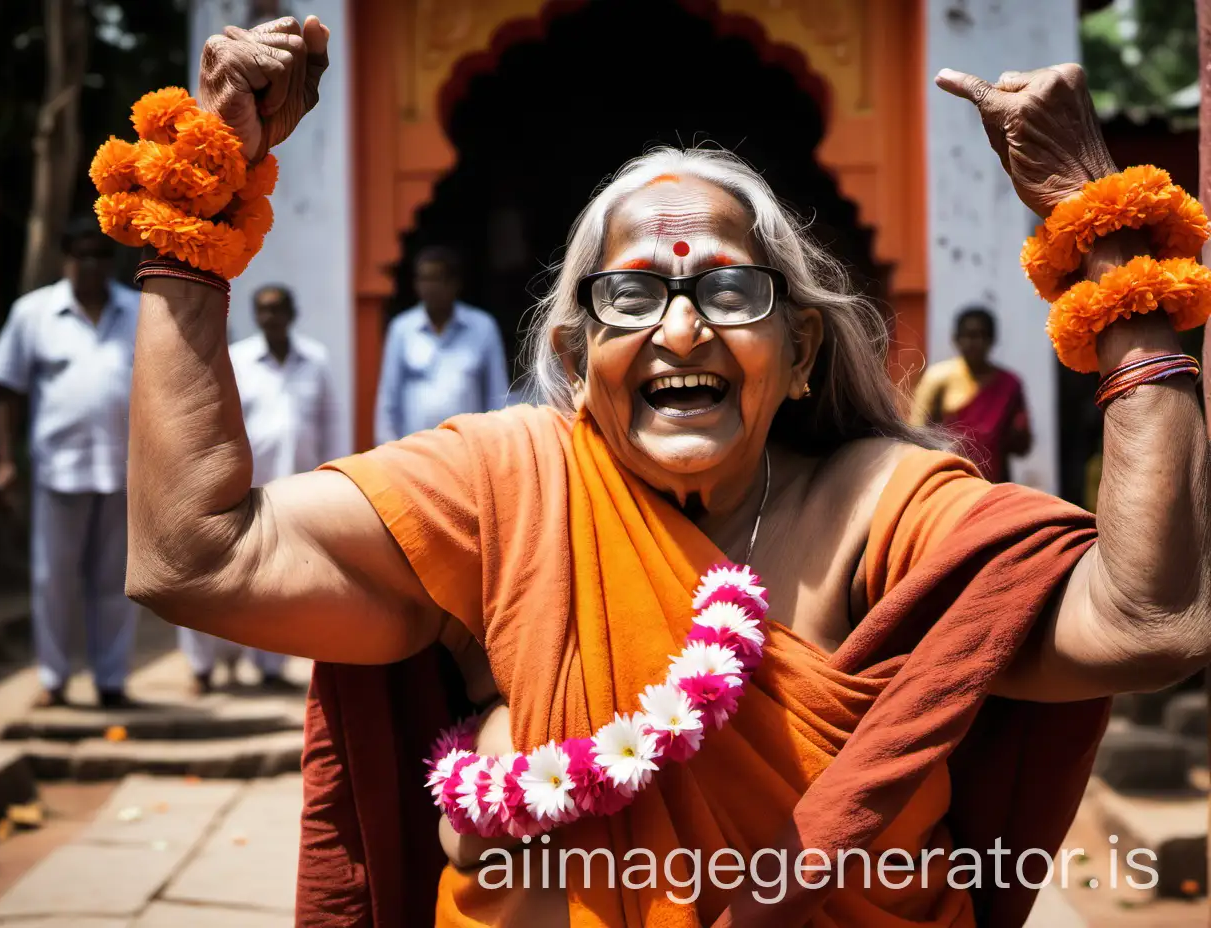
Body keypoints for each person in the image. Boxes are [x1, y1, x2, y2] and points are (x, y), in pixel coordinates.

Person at [121, 17, 1211, 927]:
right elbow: (194, 557)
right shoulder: (504, 483)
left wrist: (1103, 239)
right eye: (630, 297)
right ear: (571, 358)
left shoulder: (885, 504)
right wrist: (194, 229)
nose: (680, 328)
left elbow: (1143, 624)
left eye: (729, 294)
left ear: (800, 358)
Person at [0, 217, 140, 709]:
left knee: (117, 581)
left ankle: (111, 682)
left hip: (123, 469)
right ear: (65, 260)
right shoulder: (35, 313)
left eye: (100, 255)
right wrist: (5, 462)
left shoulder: (138, 311)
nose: (91, 265)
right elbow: (6, 387)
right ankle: (53, 679)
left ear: (111, 261)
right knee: (54, 580)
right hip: (59, 470)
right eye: (81, 255)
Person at [176, 284, 341, 694]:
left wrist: (333, 476)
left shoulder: (315, 360)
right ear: (255, 315)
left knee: (281, 578)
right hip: (242, 486)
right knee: (219, 574)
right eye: (263, 310)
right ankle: (203, 668)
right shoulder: (239, 360)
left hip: (297, 489)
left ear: (292, 313)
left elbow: (331, 424)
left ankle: (270, 667)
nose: (271, 317)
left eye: (278, 309)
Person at [373, 246, 510, 444]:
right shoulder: (402, 329)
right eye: (424, 279)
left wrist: (496, 446)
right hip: (413, 452)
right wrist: (385, 451)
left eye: (437, 279)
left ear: (454, 284)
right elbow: (388, 399)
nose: (430, 287)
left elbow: (497, 395)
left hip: (467, 451)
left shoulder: (482, 327)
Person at [909, 307, 1032, 482]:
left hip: (993, 482)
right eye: (969, 336)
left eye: (983, 336)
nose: (976, 343)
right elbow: (917, 432)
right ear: (956, 339)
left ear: (992, 340)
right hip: (949, 478)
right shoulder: (938, 378)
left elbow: (1022, 445)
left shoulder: (1009, 383)